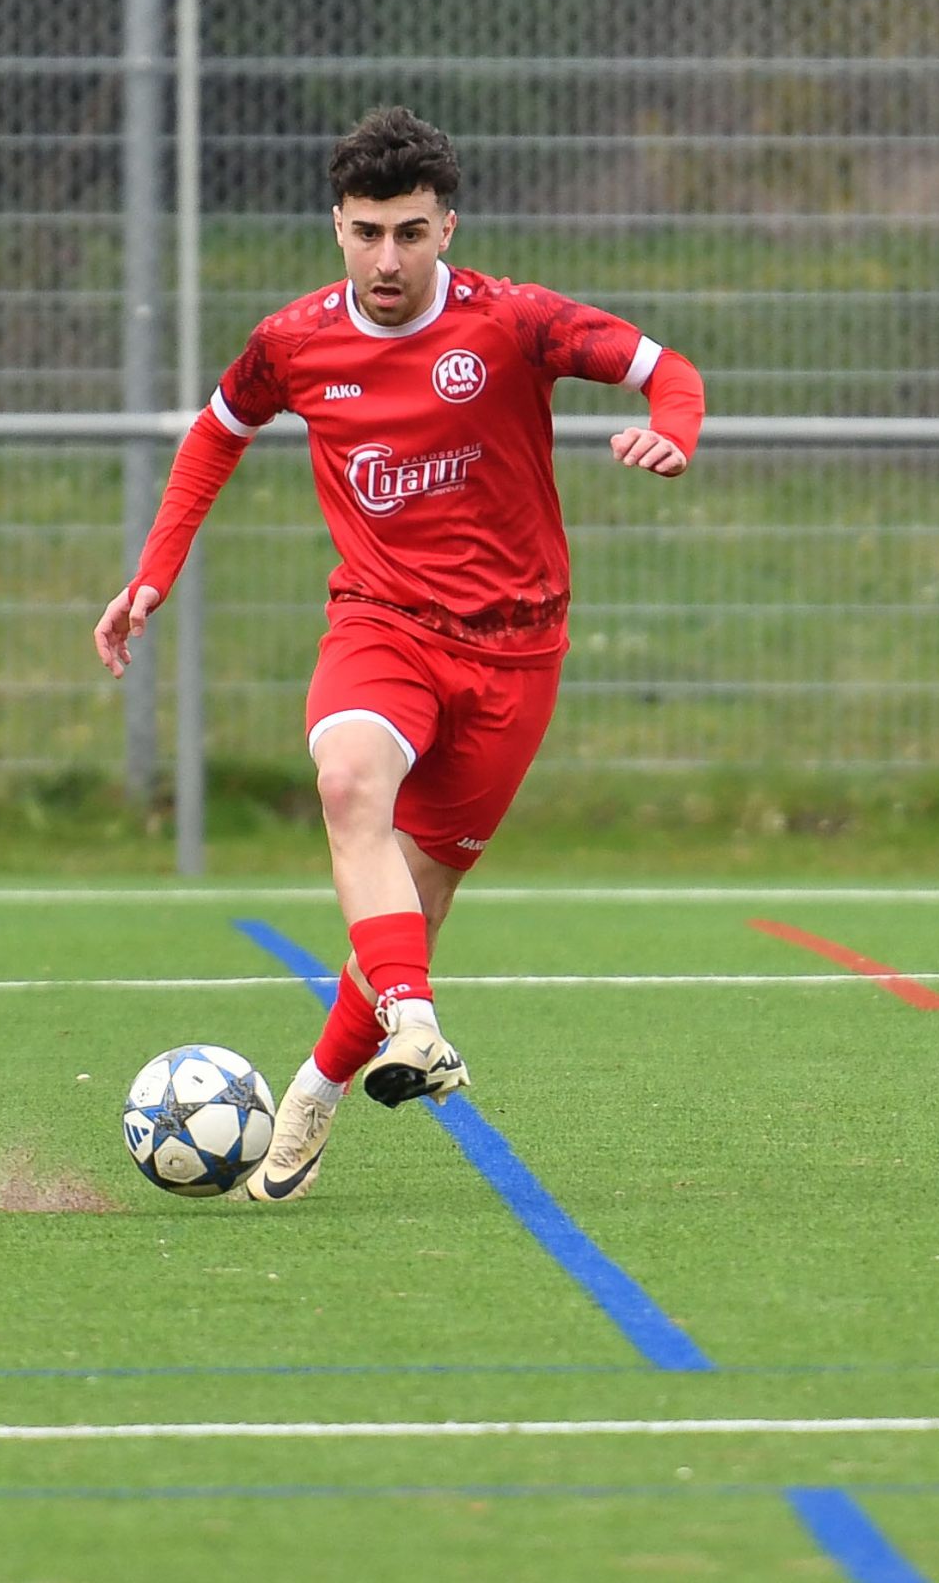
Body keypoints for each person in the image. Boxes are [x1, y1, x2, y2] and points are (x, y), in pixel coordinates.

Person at [93, 106, 703, 1202]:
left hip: (517, 654)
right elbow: (218, 432)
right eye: (368, 232)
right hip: (382, 624)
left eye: (410, 234)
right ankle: (417, 1023)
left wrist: (675, 431)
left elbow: (670, 370)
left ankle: (316, 1091)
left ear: (446, 229)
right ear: (337, 224)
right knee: (348, 782)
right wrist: (154, 569)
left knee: (413, 909)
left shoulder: (513, 322)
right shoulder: (293, 342)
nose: (387, 260)